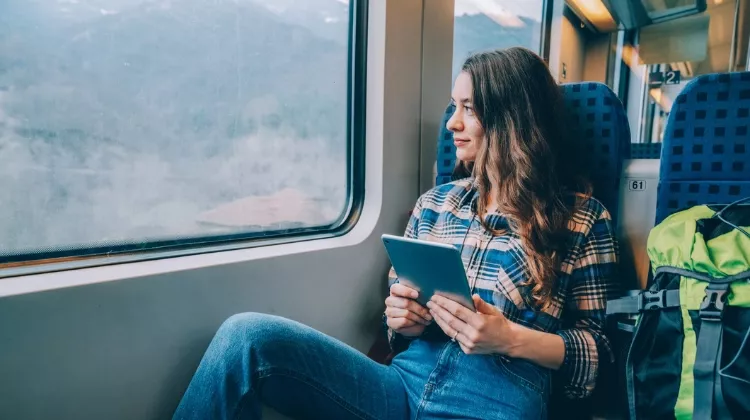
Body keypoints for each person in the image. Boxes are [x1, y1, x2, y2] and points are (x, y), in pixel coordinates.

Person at [172, 47, 619, 420]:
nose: (451, 124)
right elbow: (399, 323)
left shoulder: (583, 220)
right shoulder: (435, 204)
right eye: (453, 107)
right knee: (246, 337)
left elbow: (596, 355)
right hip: (400, 385)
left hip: (496, 400)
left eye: (468, 109)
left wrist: (508, 338)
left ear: (509, 119)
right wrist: (400, 319)